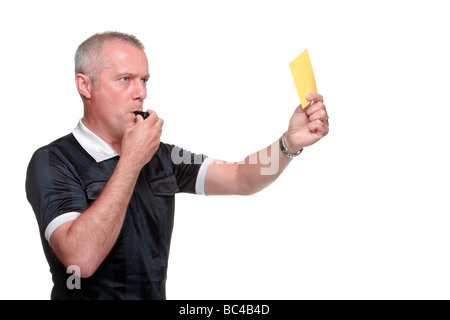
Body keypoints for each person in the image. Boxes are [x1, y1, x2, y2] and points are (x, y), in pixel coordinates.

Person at [25, 31, 329, 300]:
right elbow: (81, 260)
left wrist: (289, 144)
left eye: (143, 80)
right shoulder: (53, 161)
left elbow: (240, 177)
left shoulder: (162, 156)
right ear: (85, 85)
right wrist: (131, 159)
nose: (141, 92)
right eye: (125, 79)